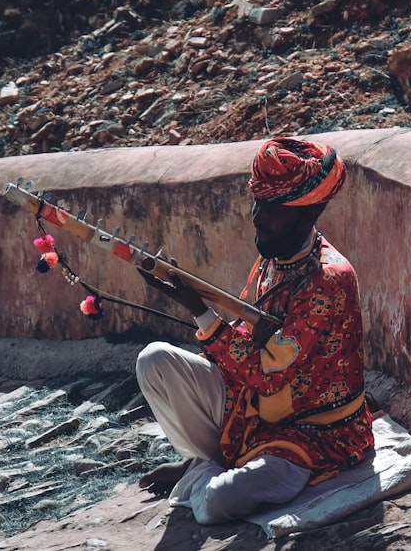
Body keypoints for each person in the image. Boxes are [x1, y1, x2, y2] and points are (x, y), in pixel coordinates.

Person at [134, 137, 375, 525]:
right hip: (256, 413)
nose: (257, 216)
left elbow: (266, 375)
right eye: (257, 203)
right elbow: (245, 346)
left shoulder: (327, 279)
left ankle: (203, 473)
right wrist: (215, 329)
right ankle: (207, 463)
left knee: (215, 503)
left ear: (307, 215)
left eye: (272, 209)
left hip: (314, 434)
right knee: (154, 360)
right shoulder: (273, 257)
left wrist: (199, 310)